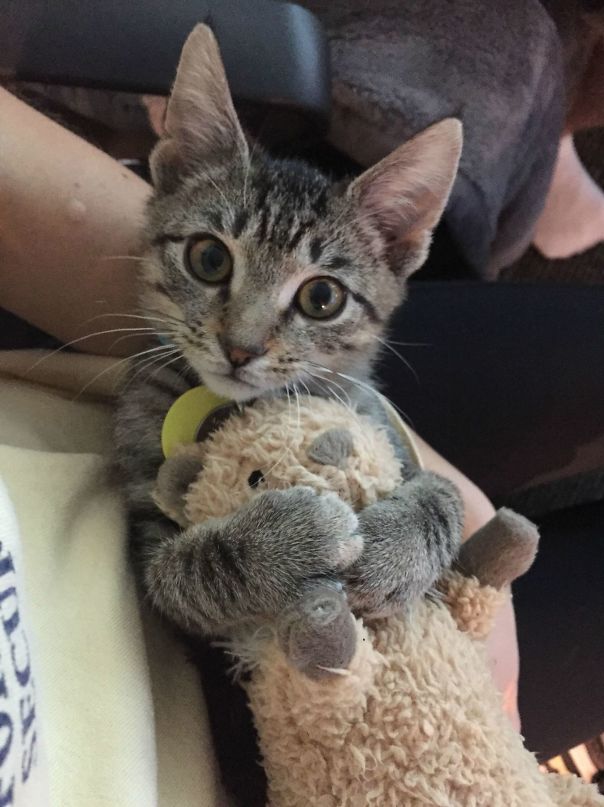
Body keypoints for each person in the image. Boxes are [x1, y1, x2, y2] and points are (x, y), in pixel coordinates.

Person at [0, 87, 520, 803]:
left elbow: (406, 496)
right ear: (173, 184)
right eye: (212, 262)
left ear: (398, 250)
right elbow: (163, 580)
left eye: (317, 299)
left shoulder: (338, 398)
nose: (242, 338)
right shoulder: (152, 400)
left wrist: (433, 507)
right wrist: (255, 557)